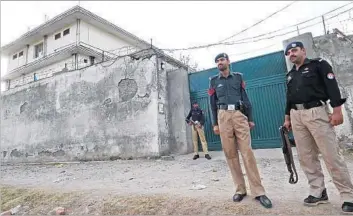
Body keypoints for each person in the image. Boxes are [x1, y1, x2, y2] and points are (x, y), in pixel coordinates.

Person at [283, 41, 353, 213]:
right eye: (289, 52)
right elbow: (289, 98)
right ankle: (318, 191)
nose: (291, 54)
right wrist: (287, 118)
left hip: (316, 112)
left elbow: (332, 86)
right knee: (306, 157)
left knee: (330, 155)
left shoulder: (319, 65)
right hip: (296, 116)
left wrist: (337, 111)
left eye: (294, 50)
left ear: (303, 51)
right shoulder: (290, 74)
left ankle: (348, 195)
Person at [208, 53, 272, 209]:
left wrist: (249, 118)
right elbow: (212, 103)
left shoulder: (238, 77)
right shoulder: (213, 81)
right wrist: (215, 123)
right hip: (222, 115)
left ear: (228, 62)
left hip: (238, 114)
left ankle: (258, 191)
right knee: (230, 154)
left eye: (222, 60)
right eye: (217, 61)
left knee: (247, 152)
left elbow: (245, 97)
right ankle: (240, 189)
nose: (219, 63)